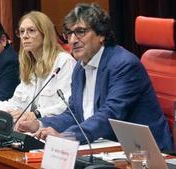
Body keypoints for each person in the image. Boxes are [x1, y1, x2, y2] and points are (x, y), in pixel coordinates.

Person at [17, 3, 172, 150]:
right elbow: (74, 114)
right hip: (104, 145)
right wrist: (39, 124)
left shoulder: (124, 65)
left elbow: (110, 115)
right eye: (69, 33)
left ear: (101, 34)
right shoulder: (79, 67)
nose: (72, 40)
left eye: (80, 32)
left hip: (144, 151)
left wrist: (67, 136)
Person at [0, 11, 76, 120]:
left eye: (31, 31)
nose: (25, 36)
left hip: (54, 130)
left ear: (45, 33)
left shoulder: (64, 62)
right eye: (22, 32)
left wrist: (36, 114)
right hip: (30, 130)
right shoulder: (30, 66)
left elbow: (67, 106)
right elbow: (14, 105)